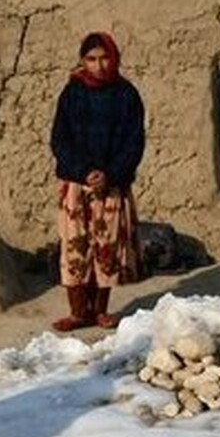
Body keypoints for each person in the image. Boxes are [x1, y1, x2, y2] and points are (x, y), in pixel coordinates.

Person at [49, 31, 145, 331]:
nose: (99, 65)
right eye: (91, 59)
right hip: (77, 185)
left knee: (107, 248)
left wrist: (110, 174)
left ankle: (100, 310)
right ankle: (78, 312)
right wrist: (83, 172)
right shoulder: (72, 93)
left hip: (111, 186)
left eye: (104, 58)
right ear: (82, 61)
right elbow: (59, 140)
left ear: (114, 58)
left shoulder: (127, 95)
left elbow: (134, 143)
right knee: (76, 248)